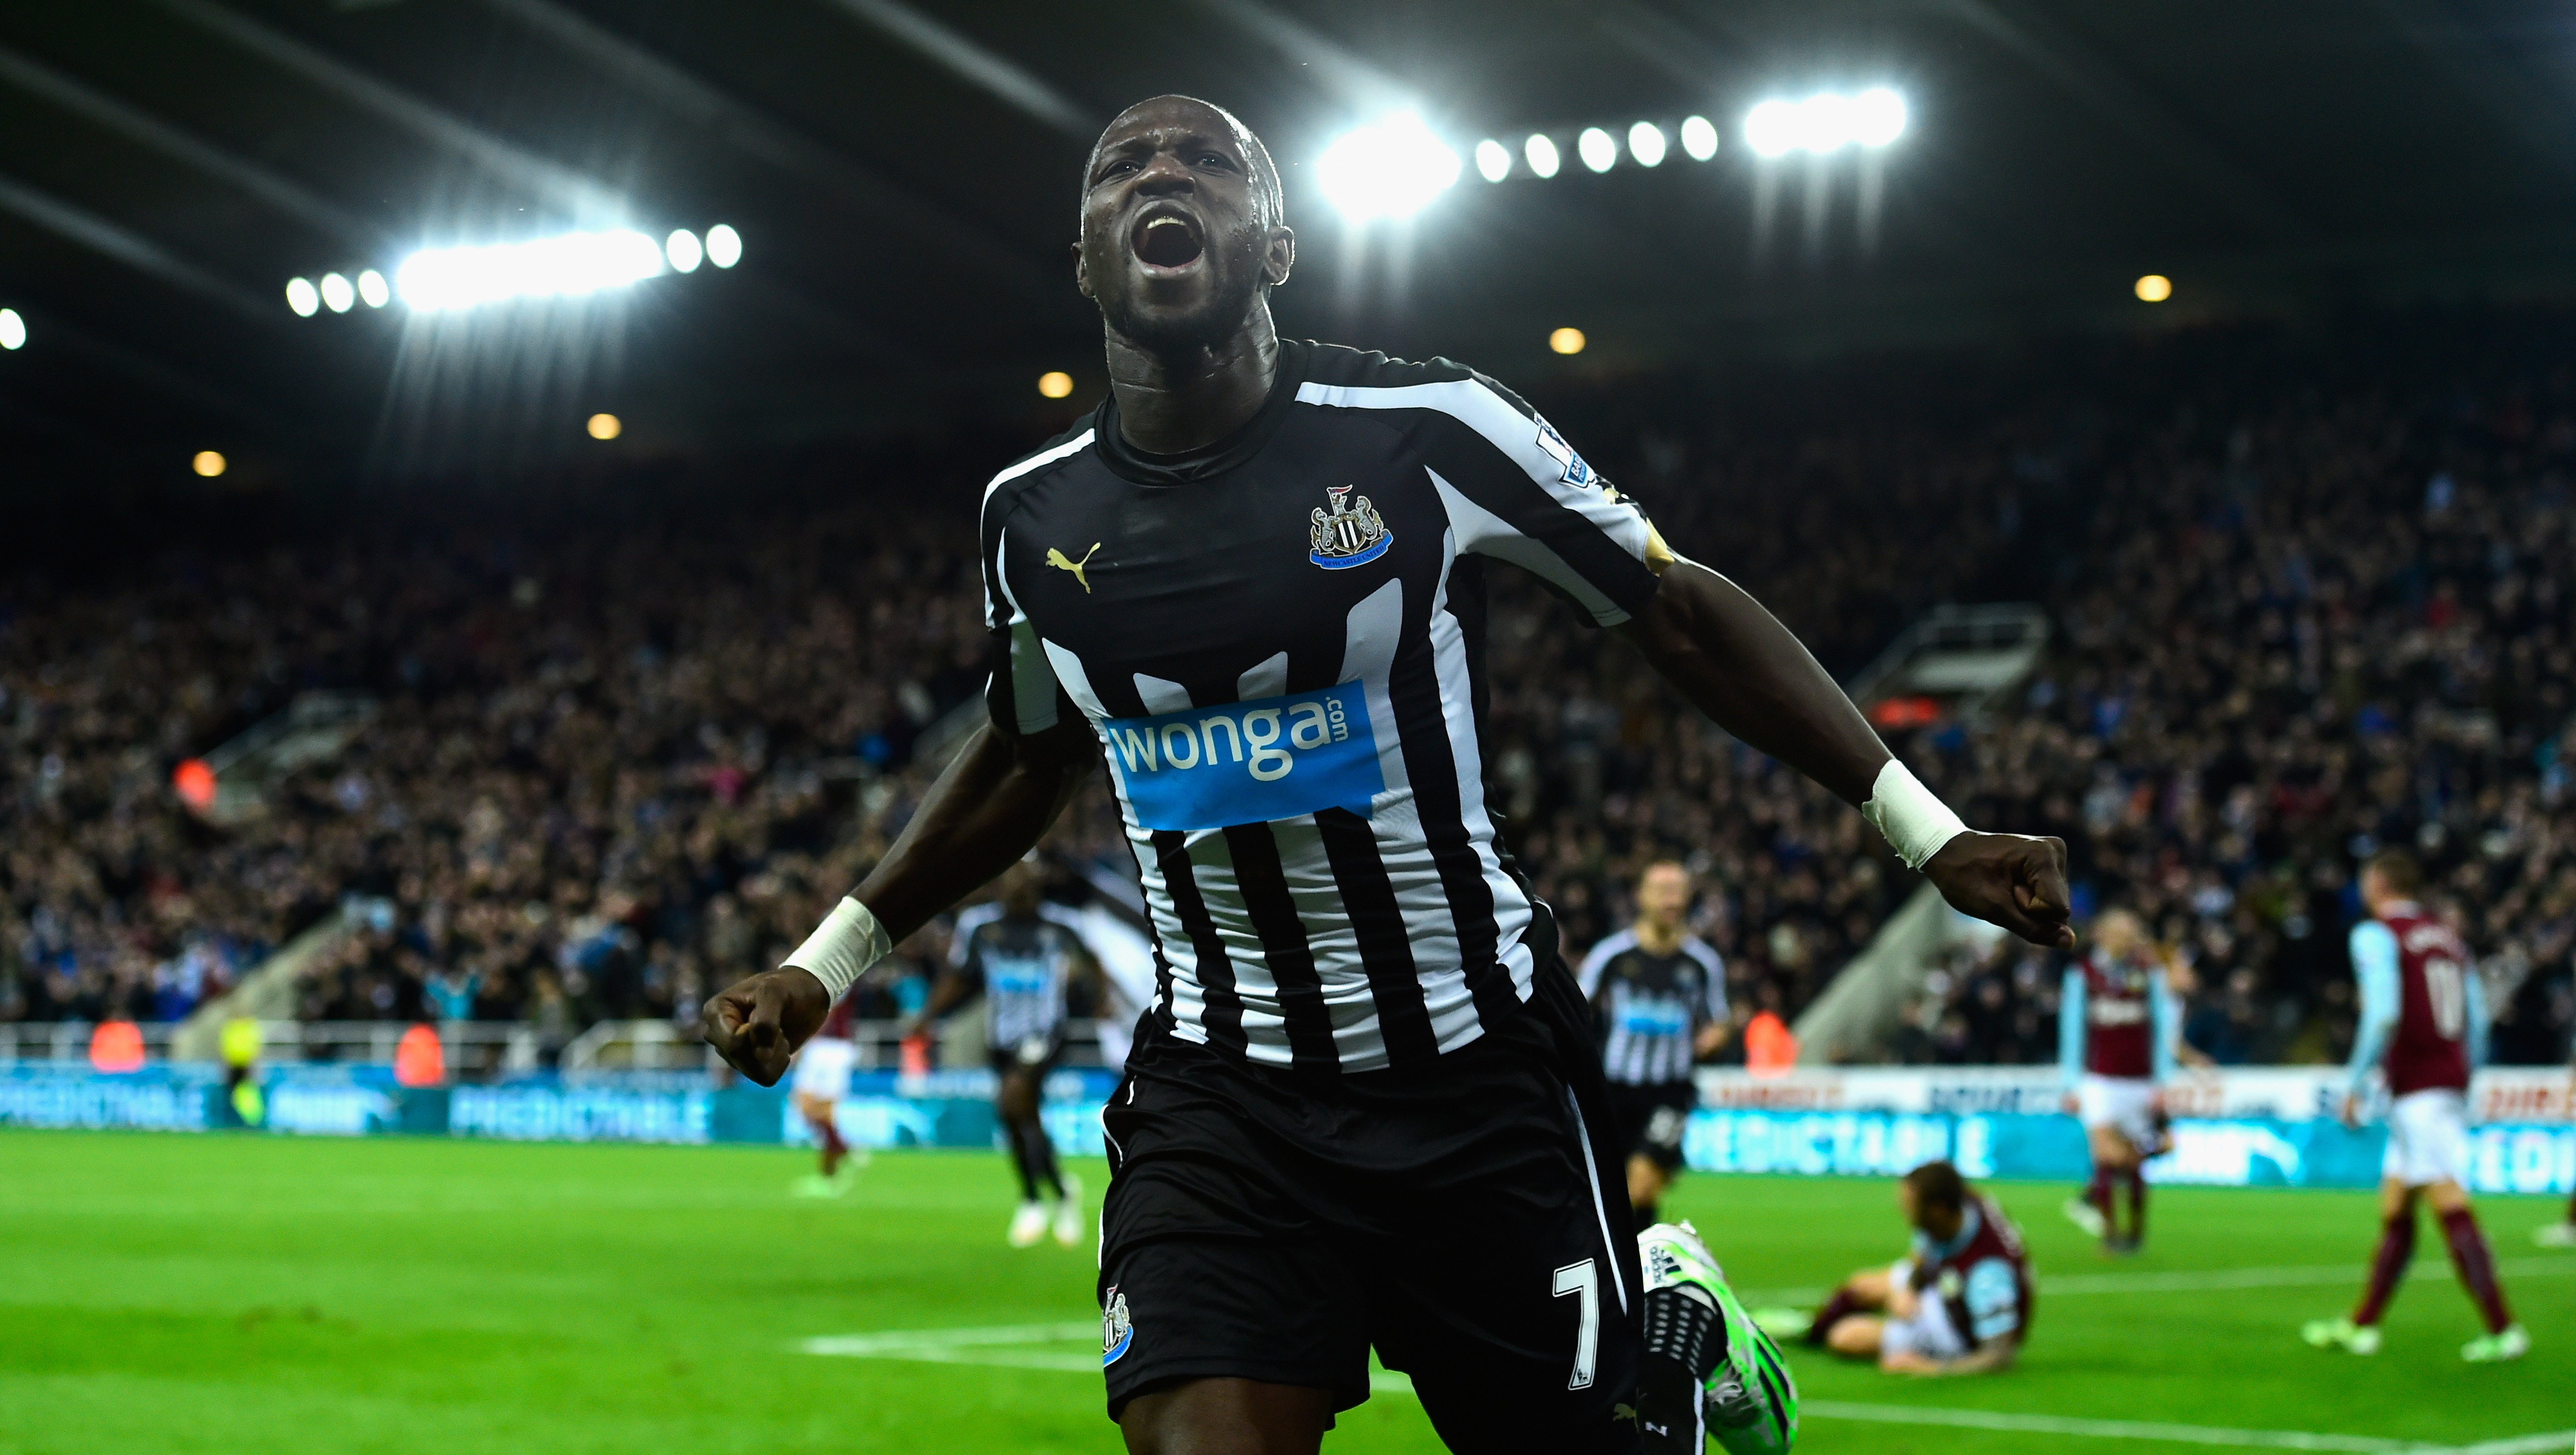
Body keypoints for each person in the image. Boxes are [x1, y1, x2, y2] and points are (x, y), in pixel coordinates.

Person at [702, 93, 2072, 1454]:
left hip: (1471, 1075)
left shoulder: (1423, 426)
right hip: (1224, 1095)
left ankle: (1671, 1309)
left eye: (1205, 163)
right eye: (1124, 165)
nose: (1160, 174)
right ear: (1084, 258)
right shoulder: (1030, 517)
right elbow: (1021, 748)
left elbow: (1673, 607)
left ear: (1274, 246)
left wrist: (1923, 829)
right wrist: (825, 962)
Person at [2302, 851, 2527, 1362]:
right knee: (2397, 1205)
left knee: (2449, 1202)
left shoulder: (2376, 934)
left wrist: (2353, 1083)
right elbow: (2478, 1020)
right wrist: (2466, 1077)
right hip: (2441, 1081)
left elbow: (2383, 1015)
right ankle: (2363, 1325)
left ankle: (2504, 1329)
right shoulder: (2448, 938)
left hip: (2419, 1087)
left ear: (2378, 883)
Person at [914, 862, 1098, 1248]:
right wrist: (927, 1017)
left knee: (1013, 1099)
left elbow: (1091, 968)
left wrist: (1093, 995)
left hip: (1045, 1035)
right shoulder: (979, 926)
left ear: (1039, 883)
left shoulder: (1063, 926)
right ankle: (1061, 1191)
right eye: (1013, 876)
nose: (1019, 885)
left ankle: (1033, 1201)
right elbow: (960, 977)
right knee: (1018, 1117)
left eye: (1028, 878)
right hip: (1001, 1037)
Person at [1753, 1160, 2033, 1376]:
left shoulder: (1988, 1273)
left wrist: (1928, 1368)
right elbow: (1927, 1250)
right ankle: (1811, 1330)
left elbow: (1999, 1355)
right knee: (1862, 1285)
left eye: (1910, 1205)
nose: (1903, 1210)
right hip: (1947, 1288)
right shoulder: (1958, 1207)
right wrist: (1909, 1289)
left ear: (1936, 1209)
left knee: (1846, 1338)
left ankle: (1840, 1334)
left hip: (1957, 1331)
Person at [1579, 861, 1729, 1230]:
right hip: (1612, 1090)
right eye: (1662, 889)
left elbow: (1720, 1020)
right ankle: (1638, 1270)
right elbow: (1578, 1011)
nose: (1671, 899)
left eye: (1678, 890)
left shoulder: (1702, 963)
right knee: (1614, 1190)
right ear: (1641, 896)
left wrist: (1715, 1038)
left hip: (1670, 1093)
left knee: (1642, 1185)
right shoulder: (1610, 957)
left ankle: (1629, 1265)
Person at [2057, 906, 2205, 1254]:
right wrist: (2071, 1084)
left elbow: (2159, 1028)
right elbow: (2073, 1032)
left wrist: (2162, 1081)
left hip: (2139, 1082)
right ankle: (2110, 1234)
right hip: (2100, 1082)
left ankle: (2135, 1235)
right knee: (2107, 1156)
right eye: (2122, 932)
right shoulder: (2083, 976)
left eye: (2132, 932)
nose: (2129, 938)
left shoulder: (2148, 974)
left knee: (2136, 1159)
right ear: (2103, 935)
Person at [786, 996, 862, 1197]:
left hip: (827, 1048)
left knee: (813, 1109)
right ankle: (843, 1151)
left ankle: (831, 1173)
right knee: (813, 1110)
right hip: (832, 1047)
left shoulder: (838, 971)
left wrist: (801, 1042)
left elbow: (828, 1009)